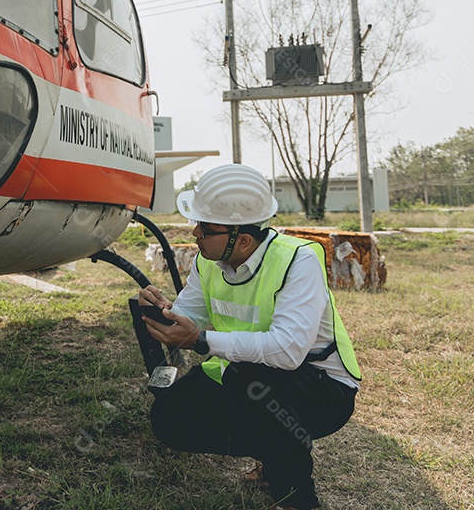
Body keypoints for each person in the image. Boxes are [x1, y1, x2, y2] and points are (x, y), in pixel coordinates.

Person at [136, 163, 361, 510]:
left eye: (204, 227)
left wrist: (201, 341)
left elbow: (287, 352)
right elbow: (189, 316)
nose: (194, 233)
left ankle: (297, 498)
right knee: (169, 419)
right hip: (244, 373)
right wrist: (164, 312)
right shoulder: (208, 259)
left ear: (241, 239)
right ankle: (273, 448)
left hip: (321, 388)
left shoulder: (297, 260)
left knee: (254, 383)